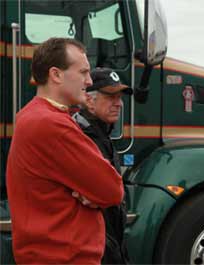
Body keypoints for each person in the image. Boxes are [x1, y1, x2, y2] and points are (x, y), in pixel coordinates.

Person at [6, 38, 124, 264]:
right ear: (56, 75)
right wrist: (92, 193)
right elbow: (112, 189)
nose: (89, 81)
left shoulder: (33, 115)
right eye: (83, 72)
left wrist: (90, 191)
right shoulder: (52, 124)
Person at [73, 67, 132, 264]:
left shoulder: (101, 135)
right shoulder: (82, 139)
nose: (119, 104)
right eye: (111, 97)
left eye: (120, 97)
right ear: (89, 101)